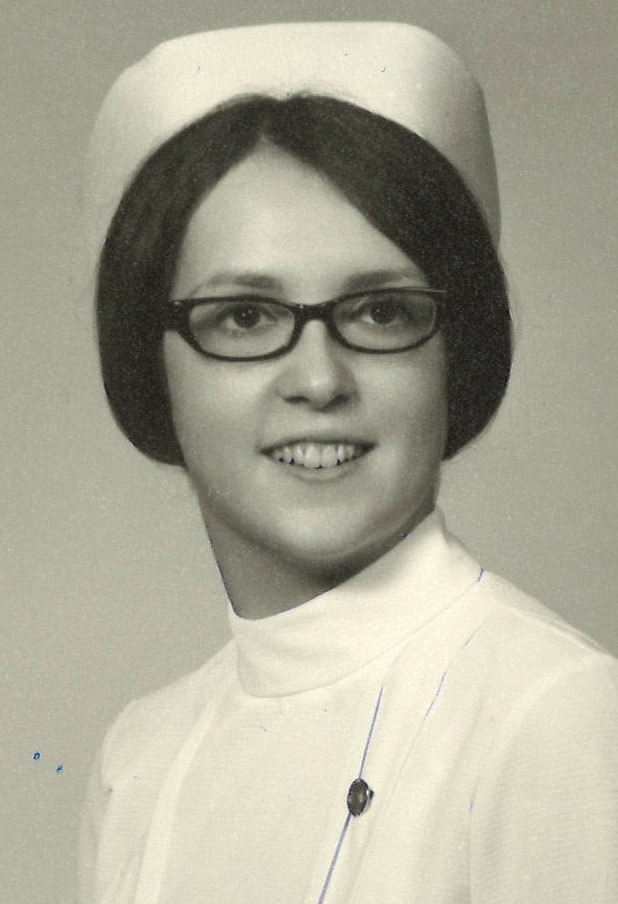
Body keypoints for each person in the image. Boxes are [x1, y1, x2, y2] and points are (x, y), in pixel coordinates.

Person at [79, 21, 618, 904]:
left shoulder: (555, 717)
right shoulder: (138, 760)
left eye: (380, 312)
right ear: (151, 362)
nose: (321, 380)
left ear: (455, 354)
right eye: (245, 318)